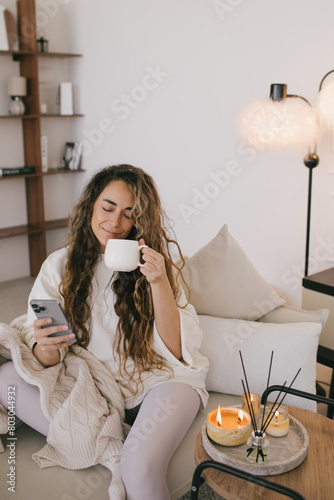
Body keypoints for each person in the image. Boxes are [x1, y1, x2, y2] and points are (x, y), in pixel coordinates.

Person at [0, 164, 209, 500]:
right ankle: (114, 454)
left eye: (129, 214)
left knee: (140, 468)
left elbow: (177, 350)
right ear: (91, 207)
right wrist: (47, 348)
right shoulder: (58, 265)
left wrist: (158, 283)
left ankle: (122, 452)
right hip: (94, 389)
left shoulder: (154, 266)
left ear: (140, 220)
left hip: (162, 381)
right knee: (6, 377)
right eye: (108, 208)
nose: (115, 222)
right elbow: (44, 359)